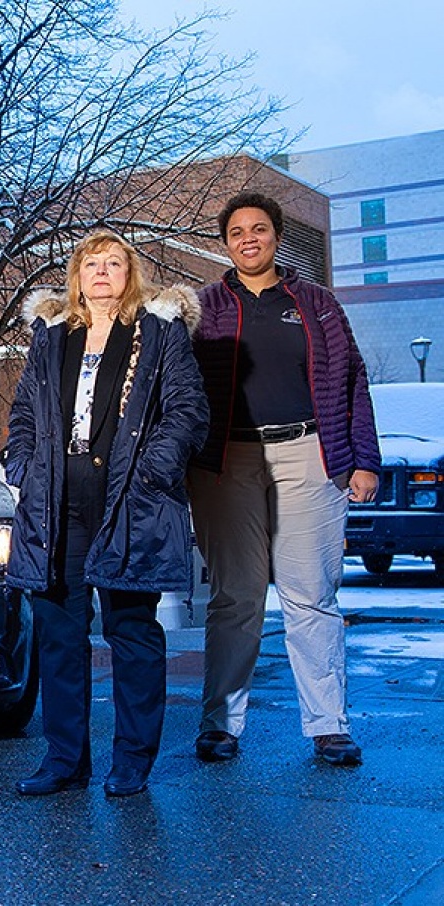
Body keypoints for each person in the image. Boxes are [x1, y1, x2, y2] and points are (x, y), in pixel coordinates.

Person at [5, 231, 209, 797]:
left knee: (132, 630)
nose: (101, 272)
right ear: (76, 275)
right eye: (90, 263)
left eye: (113, 263)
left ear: (129, 274)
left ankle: (131, 761)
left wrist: (152, 471)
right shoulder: (50, 337)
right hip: (56, 500)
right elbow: (24, 411)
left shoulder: (159, 333)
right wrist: (21, 465)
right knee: (57, 631)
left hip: (128, 497)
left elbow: (188, 411)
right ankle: (65, 760)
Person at [188, 192, 380, 767]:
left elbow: (352, 380)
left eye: (260, 229)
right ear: (225, 243)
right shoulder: (204, 308)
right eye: (237, 231)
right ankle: (221, 723)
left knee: (311, 595)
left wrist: (364, 458)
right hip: (227, 464)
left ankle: (329, 725)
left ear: (275, 236)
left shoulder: (317, 303)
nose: (250, 238)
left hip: (309, 456)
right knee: (236, 598)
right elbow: (178, 391)